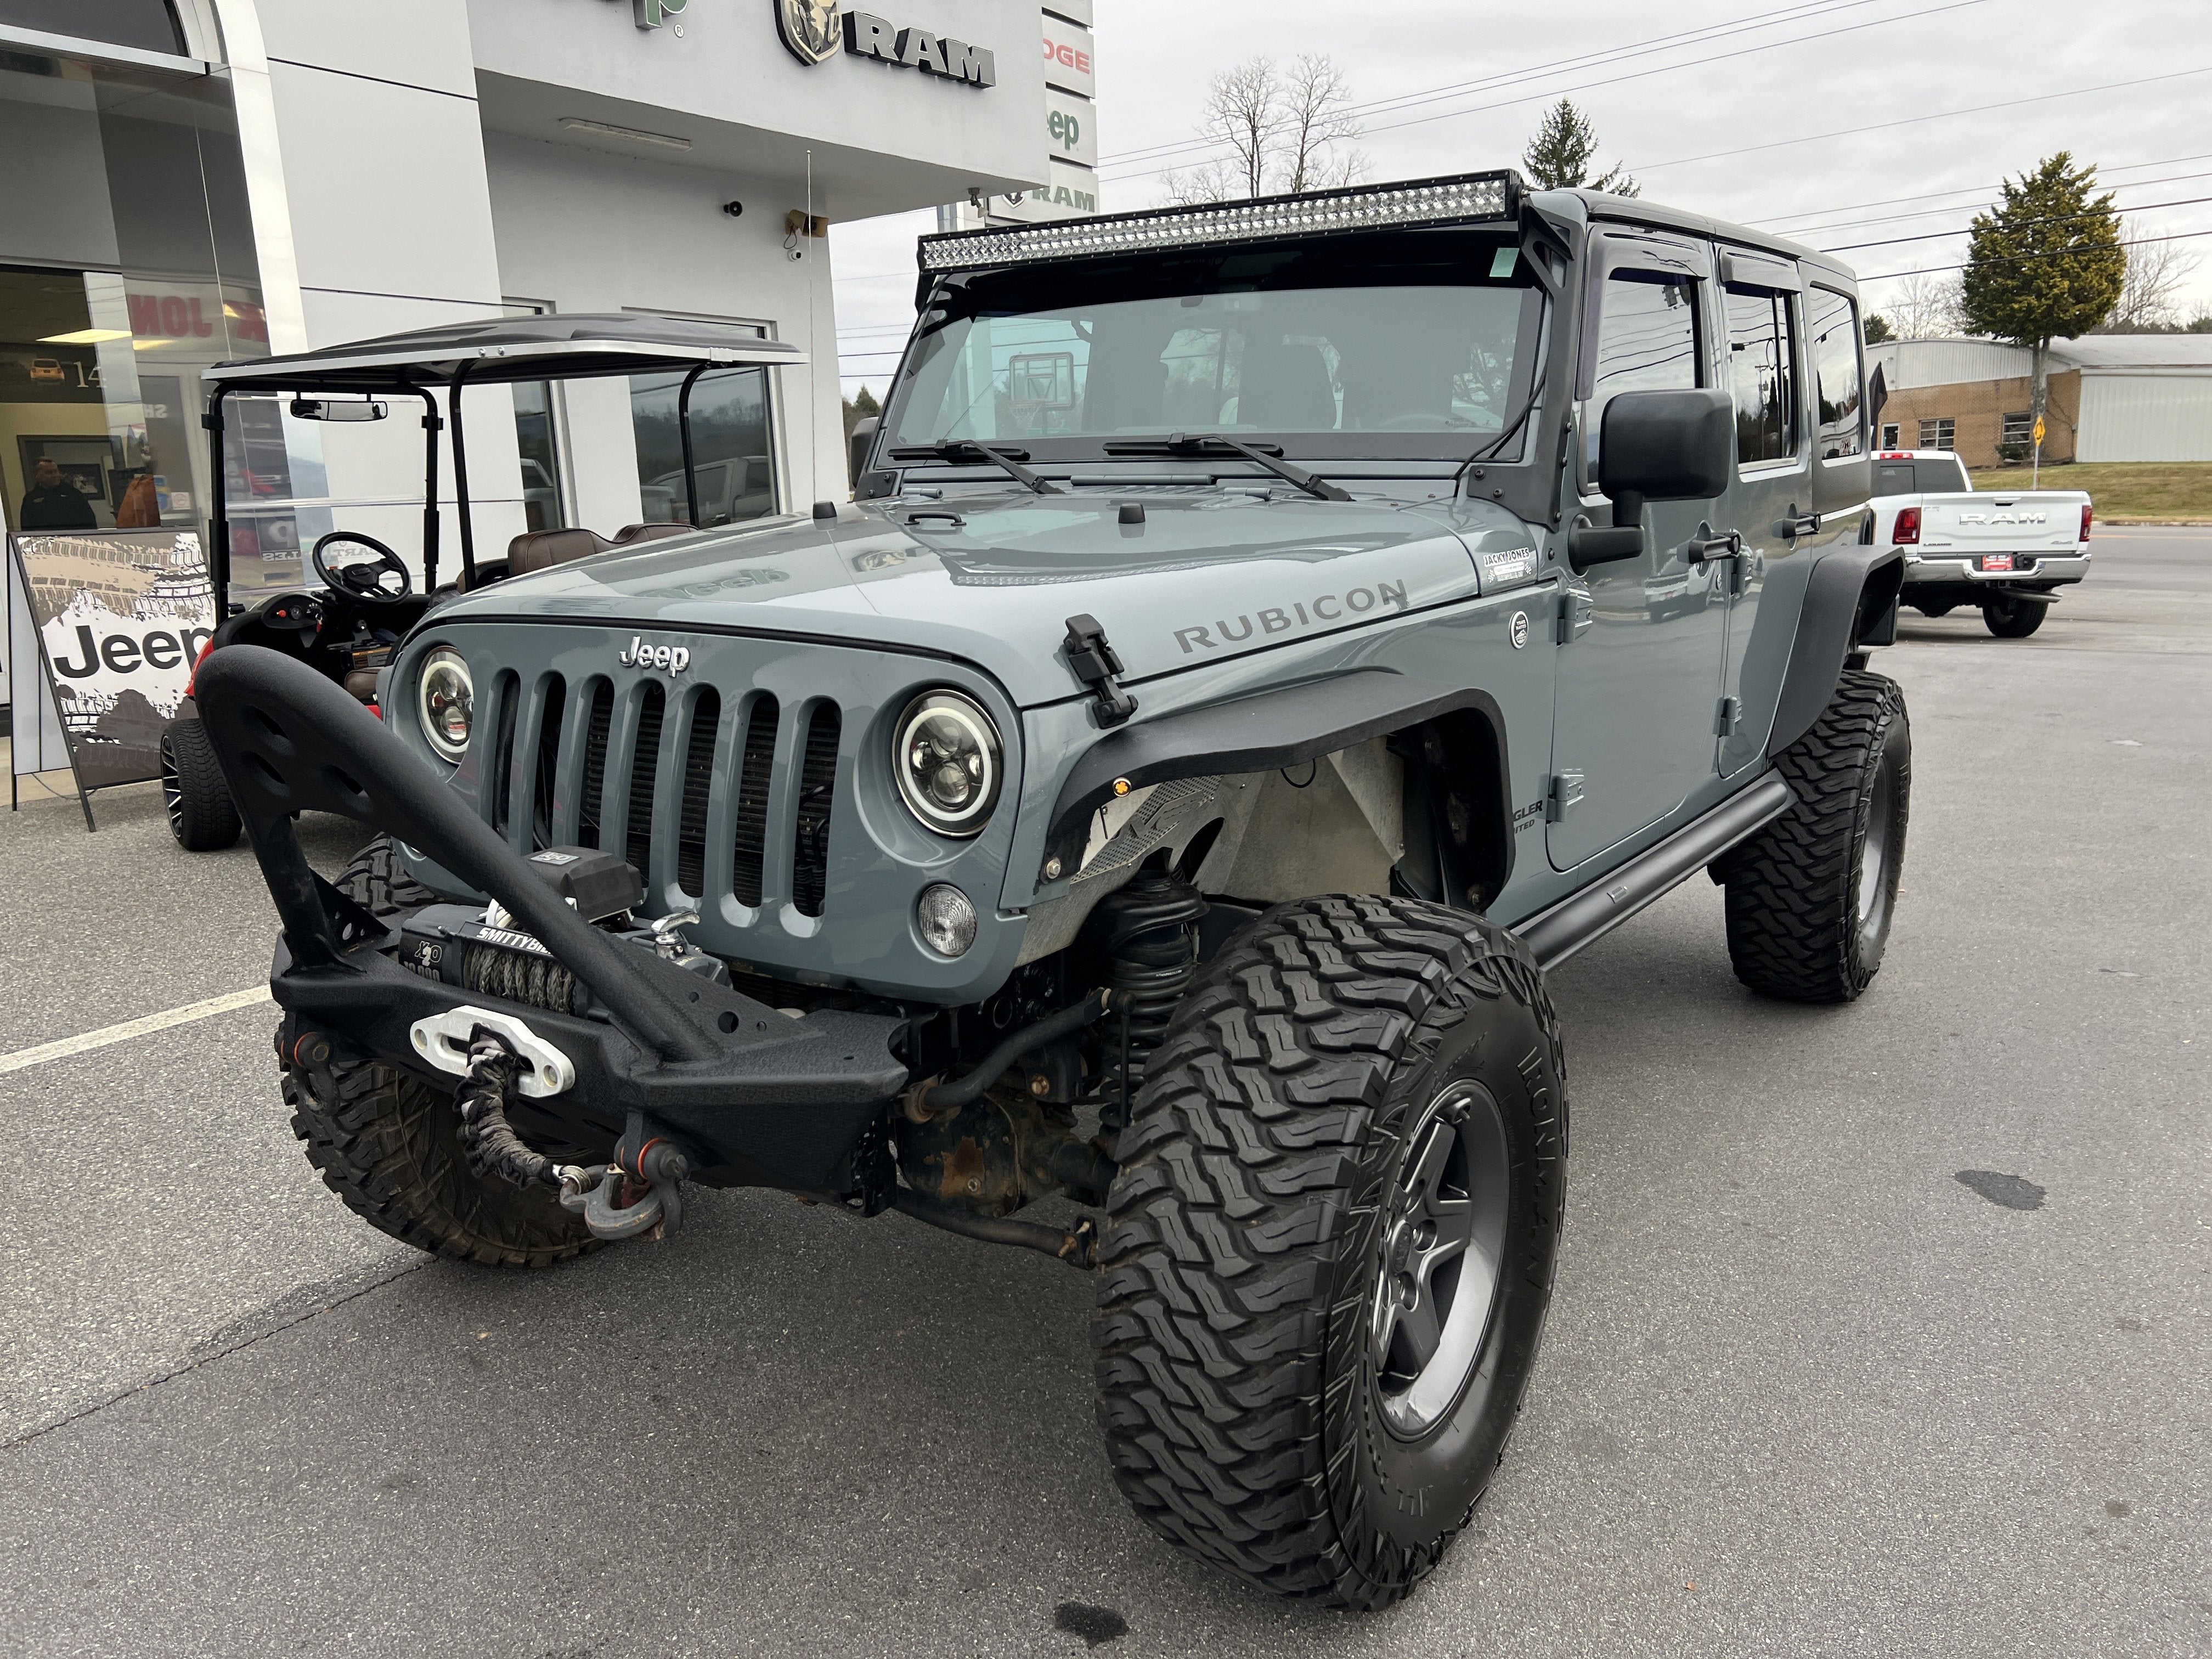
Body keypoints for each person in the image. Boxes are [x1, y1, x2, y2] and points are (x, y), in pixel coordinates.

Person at [18, 458, 99, 531]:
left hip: (74, 541)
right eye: (49, 473)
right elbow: (27, 529)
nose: (55, 475)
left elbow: (90, 522)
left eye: (56, 471)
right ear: (38, 476)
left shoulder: (74, 494)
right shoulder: (31, 499)